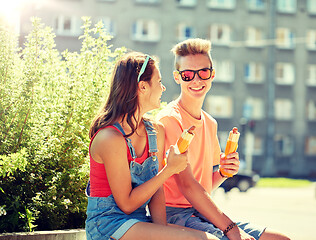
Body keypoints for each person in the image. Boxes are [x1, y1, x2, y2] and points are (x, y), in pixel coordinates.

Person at [157, 38, 290, 240]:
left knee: (280, 239)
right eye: (187, 74)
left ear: (212, 74)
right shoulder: (169, 119)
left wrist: (223, 172)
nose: (196, 80)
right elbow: (188, 186)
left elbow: (204, 186)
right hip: (175, 215)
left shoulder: (210, 123)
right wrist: (232, 229)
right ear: (177, 77)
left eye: (203, 72)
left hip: (202, 211)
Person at [85, 51, 221, 240]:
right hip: (109, 225)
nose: (163, 88)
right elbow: (127, 204)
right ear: (143, 87)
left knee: (212, 238)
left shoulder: (154, 130)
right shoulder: (110, 138)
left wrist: (163, 230)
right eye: (158, 82)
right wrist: (169, 170)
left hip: (139, 222)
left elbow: (156, 190)